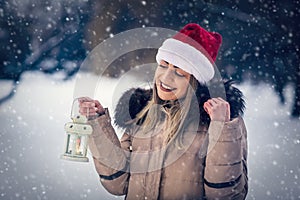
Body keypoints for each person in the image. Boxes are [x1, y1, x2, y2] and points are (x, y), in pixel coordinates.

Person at [79, 23, 248, 199]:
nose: (166, 78)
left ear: (195, 82)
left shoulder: (219, 121)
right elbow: (117, 183)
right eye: (164, 65)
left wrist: (222, 128)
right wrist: (97, 122)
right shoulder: (142, 112)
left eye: (179, 73)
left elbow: (226, 195)